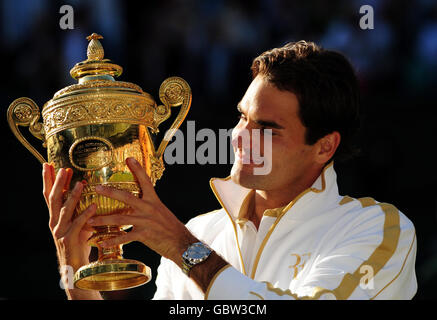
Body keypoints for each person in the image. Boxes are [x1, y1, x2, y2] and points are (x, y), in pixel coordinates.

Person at [42, 41, 417, 300]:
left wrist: (182, 247)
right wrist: (75, 270)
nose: (240, 138)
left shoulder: (380, 229)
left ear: (324, 146)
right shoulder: (201, 231)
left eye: (267, 128)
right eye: (242, 116)